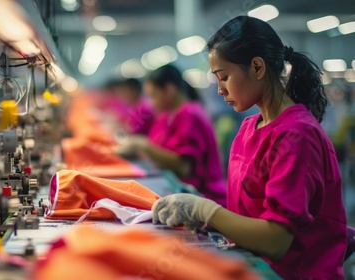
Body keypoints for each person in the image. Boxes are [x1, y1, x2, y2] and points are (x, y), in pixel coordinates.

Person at [152, 16, 347, 279]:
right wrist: (205, 213)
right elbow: (245, 216)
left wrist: (206, 210)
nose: (220, 90)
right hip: (252, 264)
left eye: (224, 77)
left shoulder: (297, 135)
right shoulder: (247, 129)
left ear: (257, 67)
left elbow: (276, 241)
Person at [115, 64, 227, 206]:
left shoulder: (189, 114)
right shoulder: (166, 115)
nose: (150, 102)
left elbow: (183, 168)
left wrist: (144, 146)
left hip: (204, 199)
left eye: (153, 95)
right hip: (181, 191)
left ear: (169, 89)